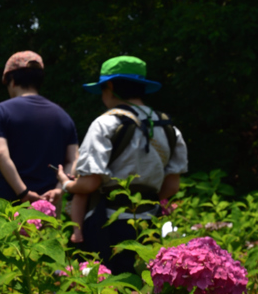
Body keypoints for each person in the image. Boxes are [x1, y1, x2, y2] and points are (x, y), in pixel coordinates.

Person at [58, 56, 188, 274]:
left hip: (108, 225)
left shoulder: (105, 123)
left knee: (110, 290)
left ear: (109, 86)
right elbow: (172, 186)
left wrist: (67, 185)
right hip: (150, 224)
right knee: (144, 286)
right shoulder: (169, 128)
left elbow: (90, 183)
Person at [0, 51, 78, 205]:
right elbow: (73, 159)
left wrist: (23, 192)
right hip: (49, 207)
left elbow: (0, 153)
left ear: (12, 80)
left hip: (9, 209)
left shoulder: (1, 111)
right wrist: (60, 188)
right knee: (48, 230)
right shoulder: (63, 116)